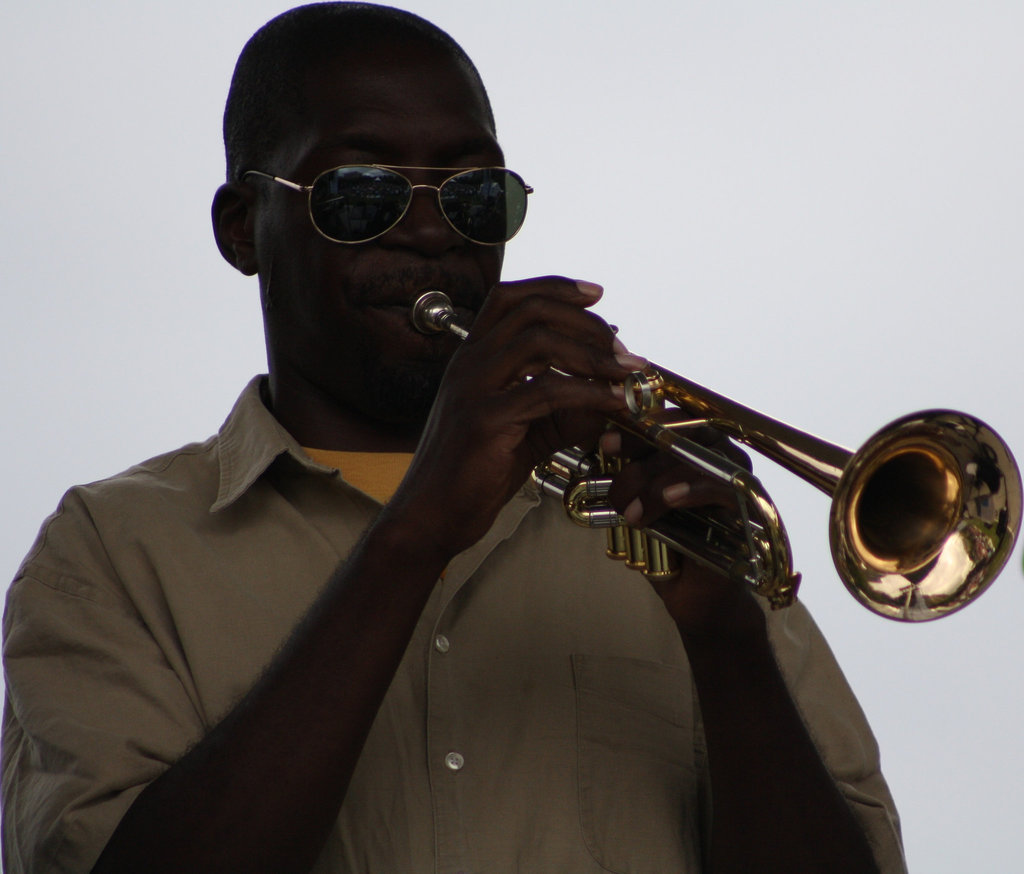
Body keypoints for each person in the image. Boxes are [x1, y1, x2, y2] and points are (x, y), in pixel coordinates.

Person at [1, 4, 906, 872]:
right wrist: (416, 534)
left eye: (475, 196)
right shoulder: (109, 553)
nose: (433, 232)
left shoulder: (682, 532)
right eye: (362, 195)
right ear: (243, 229)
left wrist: (726, 639)